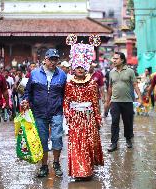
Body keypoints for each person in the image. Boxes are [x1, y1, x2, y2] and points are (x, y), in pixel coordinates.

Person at [23, 49, 67, 177]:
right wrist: (26, 101)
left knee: (56, 138)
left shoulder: (62, 75)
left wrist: (65, 108)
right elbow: (28, 92)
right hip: (39, 112)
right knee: (42, 140)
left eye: (55, 59)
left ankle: (56, 163)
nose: (53, 62)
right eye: (51, 59)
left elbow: (65, 94)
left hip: (56, 111)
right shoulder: (35, 73)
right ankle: (44, 166)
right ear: (45, 59)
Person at [63, 43, 103, 179]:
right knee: (76, 143)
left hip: (88, 117)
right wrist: (67, 115)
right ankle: (78, 171)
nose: (80, 70)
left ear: (86, 68)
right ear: (73, 69)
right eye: (77, 67)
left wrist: (98, 118)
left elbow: (95, 102)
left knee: (88, 142)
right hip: (75, 117)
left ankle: (87, 169)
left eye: (82, 67)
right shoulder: (69, 84)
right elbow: (66, 101)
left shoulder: (92, 83)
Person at [105, 52, 142, 152]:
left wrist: (139, 97)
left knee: (128, 122)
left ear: (122, 60)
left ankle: (128, 139)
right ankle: (114, 143)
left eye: (116, 59)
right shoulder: (111, 72)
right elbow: (110, 87)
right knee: (114, 122)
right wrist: (107, 101)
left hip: (127, 101)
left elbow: (135, 85)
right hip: (115, 101)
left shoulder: (130, 71)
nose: (114, 60)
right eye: (113, 58)